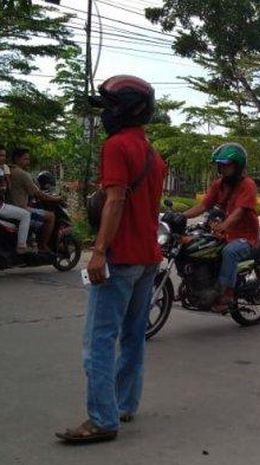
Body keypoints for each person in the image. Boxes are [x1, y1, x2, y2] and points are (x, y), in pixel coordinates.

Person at [56, 75, 166, 444]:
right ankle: (123, 404)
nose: (105, 114)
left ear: (125, 109)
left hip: (120, 259)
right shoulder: (153, 153)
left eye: (108, 107)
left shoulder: (117, 146)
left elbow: (116, 200)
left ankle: (102, 419)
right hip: (149, 258)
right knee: (134, 336)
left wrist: (99, 251)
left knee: (99, 341)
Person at [182, 142, 260, 313]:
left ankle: (227, 293)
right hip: (223, 234)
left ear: (237, 166)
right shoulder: (219, 184)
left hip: (245, 237)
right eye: (220, 165)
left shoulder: (248, 185)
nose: (222, 169)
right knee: (197, 246)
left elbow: (239, 213)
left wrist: (223, 226)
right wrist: (181, 216)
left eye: (226, 165)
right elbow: (203, 206)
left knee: (229, 252)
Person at [7, 148, 63, 252]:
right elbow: (39, 194)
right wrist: (56, 199)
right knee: (51, 216)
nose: (27, 162)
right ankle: (43, 245)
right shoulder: (22, 174)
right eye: (25, 159)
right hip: (20, 208)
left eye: (28, 159)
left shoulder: (8, 170)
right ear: (17, 159)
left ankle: (31, 240)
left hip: (9, 206)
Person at [0, 145, 30, 254]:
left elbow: (8, 186)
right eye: (0, 155)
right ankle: (21, 246)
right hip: (1, 207)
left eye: (4, 155)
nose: (2, 158)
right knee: (25, 215)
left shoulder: (4, 169)